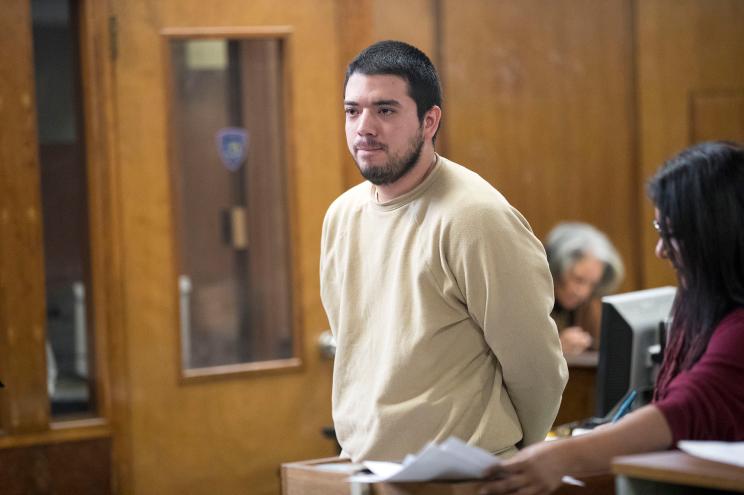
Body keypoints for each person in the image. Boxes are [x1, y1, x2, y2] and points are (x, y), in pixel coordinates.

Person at [320, 40, 568, 463]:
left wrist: (510, 457)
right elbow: (354, 347)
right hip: (364, 467)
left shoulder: (475, 216)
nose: (364, 127)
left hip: (468, 473)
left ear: (429, 120)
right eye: (352, 110)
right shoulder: (342, 215)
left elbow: (536, 365)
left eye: (385, 110)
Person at [479, 141, 744, 494]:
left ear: (711, 234)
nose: (660, 250)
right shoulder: (699, 303)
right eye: (657, 230)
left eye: (671, 234)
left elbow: (687, 408)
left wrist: (560, 457)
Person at [545, 222, 624, 355]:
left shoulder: (590, 305)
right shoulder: (531, 304)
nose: (583, 293)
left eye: (592, 284)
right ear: (556, 269)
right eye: (578, 279)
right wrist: (554, 352)